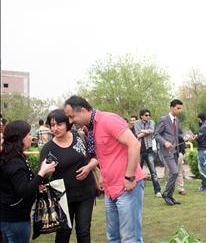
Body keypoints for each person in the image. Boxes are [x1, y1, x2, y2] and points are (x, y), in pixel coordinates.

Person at [64, 95, 144, 242]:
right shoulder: (91, 128)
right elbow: (105, 154)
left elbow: (134, 144)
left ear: (82, 110)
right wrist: (102, 176)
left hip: (127, 187)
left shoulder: (108, 120)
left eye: (71, 116)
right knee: (113, 237)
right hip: (110, 189)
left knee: (129, 238)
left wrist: (130, 176)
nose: (70, 121)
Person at [40, 109, 98, 243]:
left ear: (67, 124)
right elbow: (43, 176)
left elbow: (95, 157)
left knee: (83, 231)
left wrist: (89, 167)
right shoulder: (48, 148)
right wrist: (47, 172)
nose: (55, 128)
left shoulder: (79, 137)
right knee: (64, 232)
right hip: (62, 197)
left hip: (86, 192)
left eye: (58, 124)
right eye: (52, 125)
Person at [0, 120, 56, 243]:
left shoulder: (14, 156)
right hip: (14, 219)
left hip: (13, 216)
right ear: (20, 138)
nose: (32, 137)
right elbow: (24, 190)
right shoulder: (14, 162)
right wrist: (42, 172)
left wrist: (40, 179)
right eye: (29, 134)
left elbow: (20, 184)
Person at [154, 99, 183, 206]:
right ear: (171, 107)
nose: (180, 110)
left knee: (173, 174)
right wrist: (165, 142)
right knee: (175, 172)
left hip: (175, 150)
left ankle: (170, 196)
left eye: (181, 108)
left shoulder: (177, 120)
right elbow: (156, 134)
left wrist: (186, 137)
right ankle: (166, 193)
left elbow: (176, 135)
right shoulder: (164, 119)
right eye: (178, 108)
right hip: (166, 151)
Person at [134, 109, 162, 197]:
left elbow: (152, 131)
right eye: (146, 115)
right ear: (141, 116)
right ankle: (136, 191)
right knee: (137, 172)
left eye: (149, 115)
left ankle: (157, 191)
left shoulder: (151, 122)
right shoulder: (137, 123)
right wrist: (147, 131)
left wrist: (143, 131)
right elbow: (137, 135)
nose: (148, 116)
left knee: (153, 172)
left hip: (149, 150)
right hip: (139, 151)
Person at [192, 113, 206, 192]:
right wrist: (196, 136)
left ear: (200, 119)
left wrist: (193, 138)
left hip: (202, 149)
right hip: (204, 149)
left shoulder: (203, 127)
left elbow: (199, 138)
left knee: (202, 168)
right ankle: (204, 186)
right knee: (202, 167)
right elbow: (200, 136)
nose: (198, 121)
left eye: (198, 120)